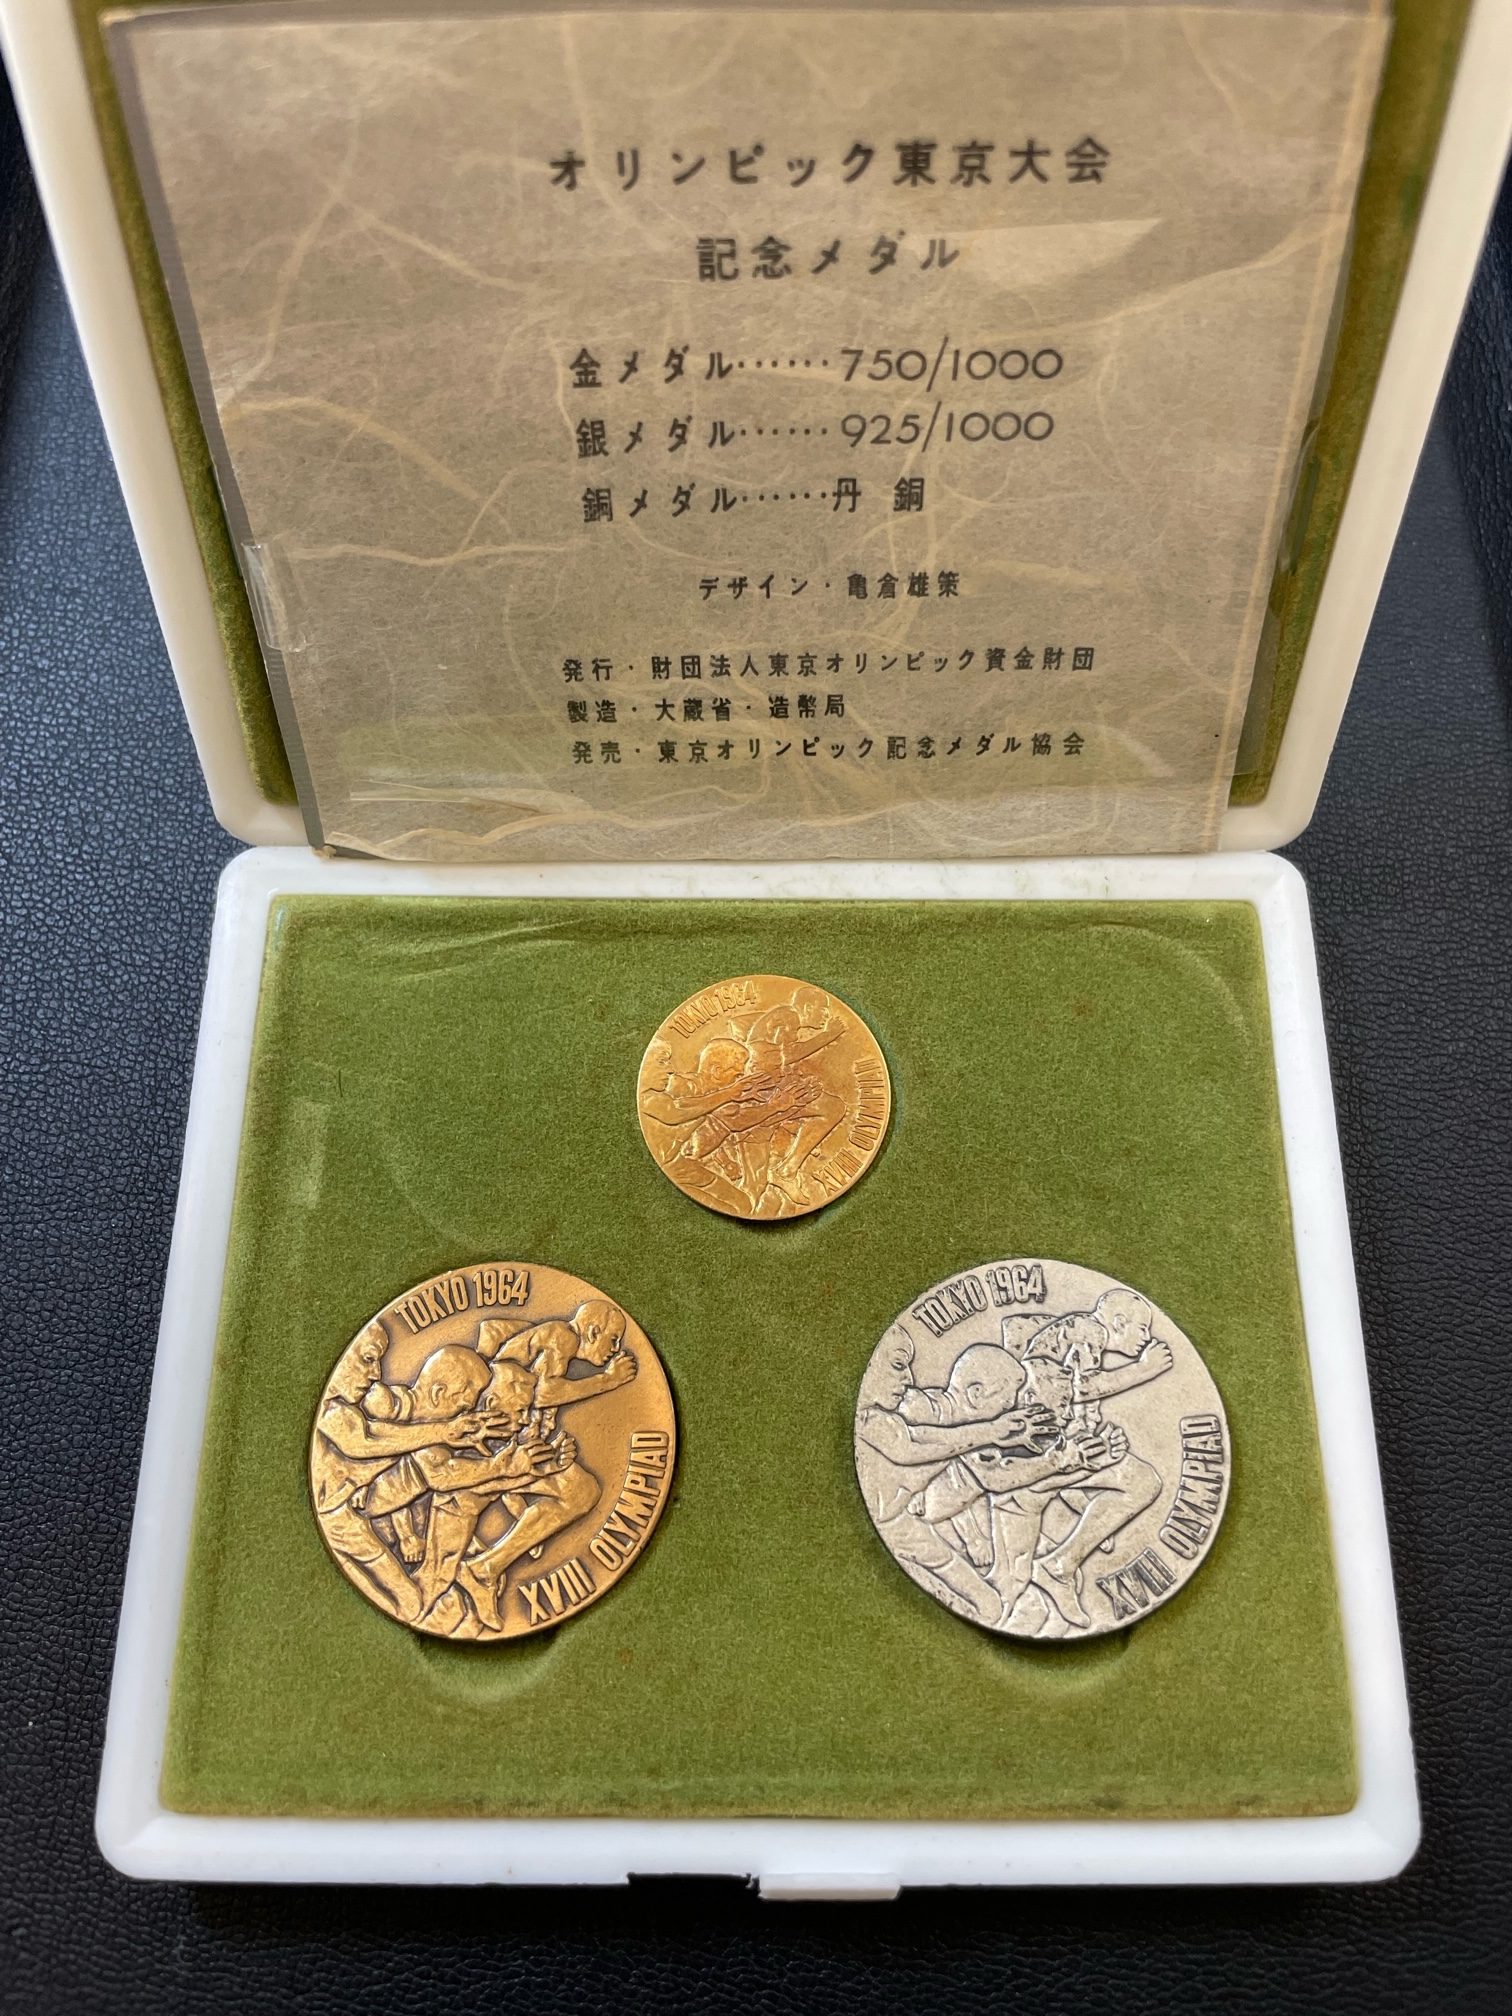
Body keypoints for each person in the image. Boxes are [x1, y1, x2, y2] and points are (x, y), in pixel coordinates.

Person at [855, 1332, 1059, 1625]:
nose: (909, 1378)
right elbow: (908, 1448)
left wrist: (995, 1434)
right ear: (976, 1394)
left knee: (988, 1604)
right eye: (898, 1365)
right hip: (888, 1522)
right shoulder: (911, 1408)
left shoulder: (947, 1424)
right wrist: (994, 1432)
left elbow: (934, 1444)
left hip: (901, 1522)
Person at [311, 1325, 496, 1624]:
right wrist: (450, 1435)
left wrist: (448, 1433)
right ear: (439, 1394)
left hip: (345, 1520)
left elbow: (380, 1436)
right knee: (400, 1604)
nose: (375, 1373)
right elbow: (363, 1441)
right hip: (334, 1518)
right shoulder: (359, 1407)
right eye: (368, 1359)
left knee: (410, 1604)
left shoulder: (373, 1413)